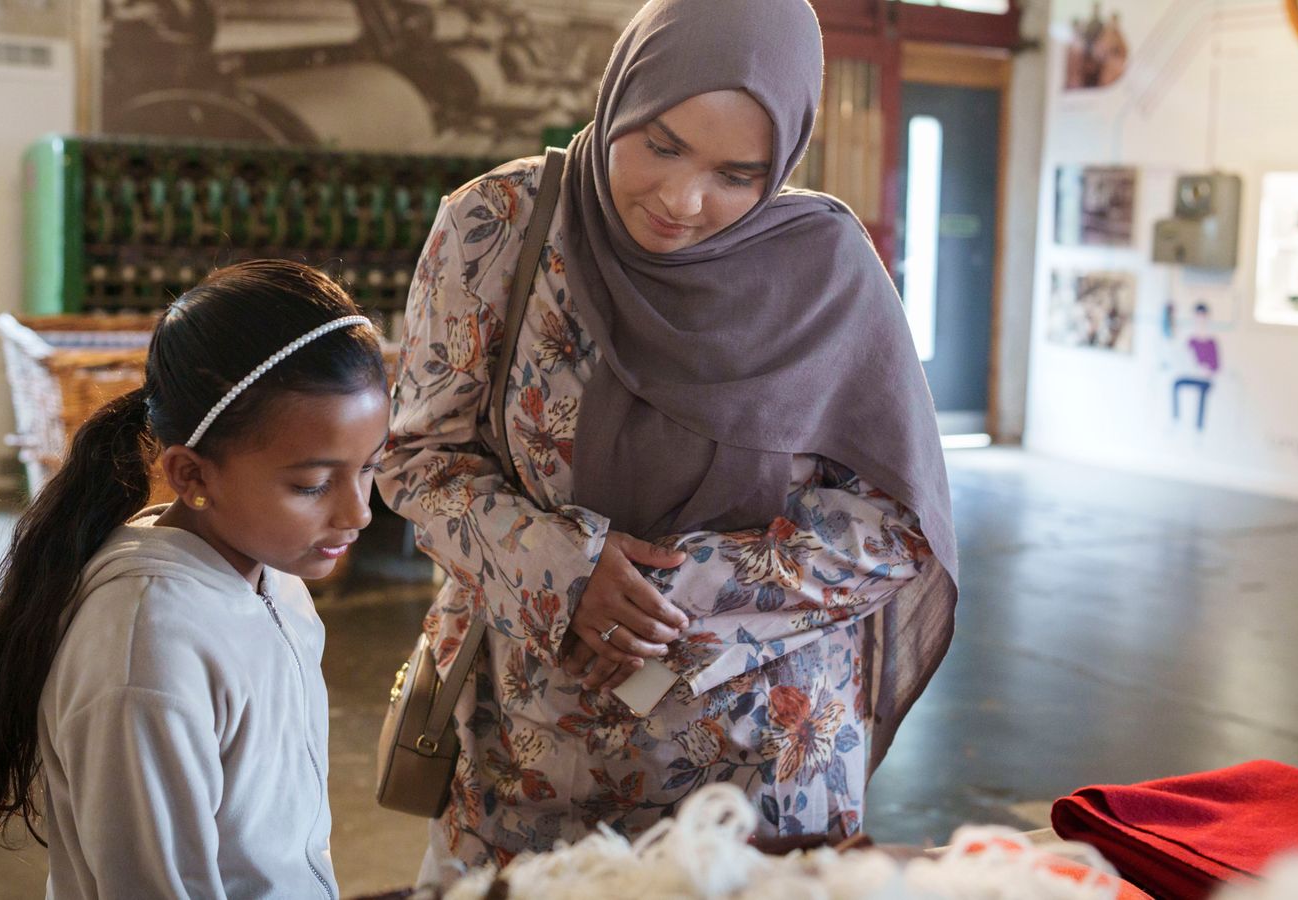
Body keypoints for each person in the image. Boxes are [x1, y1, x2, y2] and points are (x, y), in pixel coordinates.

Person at [378, 0, 960, 875]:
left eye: (737, 172)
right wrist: (562, 568)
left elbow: (896, 523)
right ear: (621, 95)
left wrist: (672, 597)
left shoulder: (824, 273)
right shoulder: (498, 228)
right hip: (529, 758)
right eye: (660, 145)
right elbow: (417, 458)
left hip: (757, 767)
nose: (683, 201)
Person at [0, 260, 388, 899]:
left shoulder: (274, 577)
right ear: (190, 475)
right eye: (312, 484)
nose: (358, 511)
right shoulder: (147, 655)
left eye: (370, 467)